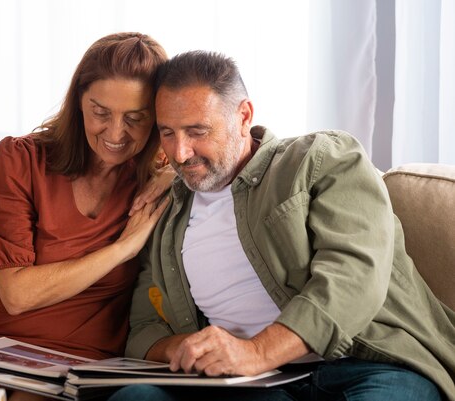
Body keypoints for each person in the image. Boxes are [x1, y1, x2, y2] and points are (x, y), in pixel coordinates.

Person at [108, 51, 455, 401]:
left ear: (243, 116)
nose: (180, 153)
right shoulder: (167, 213)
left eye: (197, 131)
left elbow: (354, 275)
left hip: (368, 361)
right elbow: (143, 327)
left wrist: (257, 352)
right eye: (168, 133)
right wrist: (190, 348)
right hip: (255, 385)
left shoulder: (322, 160)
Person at [0, 32, 173, 400]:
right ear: (79, 101)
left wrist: (175, 172)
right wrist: (124, 248)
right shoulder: (20, 160)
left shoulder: (156, 176)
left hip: (82, 360)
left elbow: (232, 140)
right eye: (100, 112)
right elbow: (17, 295)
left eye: (135, 118)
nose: (115, 133)